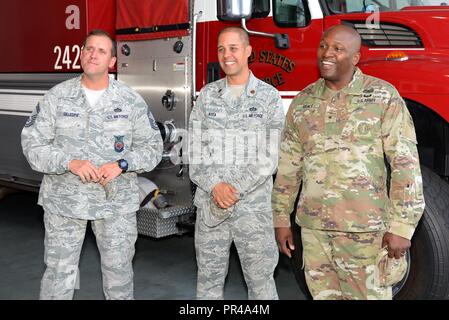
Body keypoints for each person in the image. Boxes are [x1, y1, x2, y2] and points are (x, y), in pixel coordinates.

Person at [271, 25, 425, 300]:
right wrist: (281, 217)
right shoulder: (303, 102)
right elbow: (289, 166)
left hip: (365, 232)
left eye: (338, 49)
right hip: (315, 231)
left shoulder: (382, 96)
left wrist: (402, 226)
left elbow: (405, 164)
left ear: (356, 57)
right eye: (323, 46)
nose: (327, 54)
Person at [21, 29, 163, 300]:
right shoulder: (57, 97)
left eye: (101, 50)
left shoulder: (130, 101)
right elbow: (32, 146)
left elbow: (153, 148)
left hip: (115, 204)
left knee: (119, 275)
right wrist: (68, 162)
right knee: (59, 276)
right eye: (88, 49)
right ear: (81, 55)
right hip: (65, 202)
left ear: (112, 61)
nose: (92, 54)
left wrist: (122, 163)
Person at [188, 27, 285, 299]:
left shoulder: (268, 97)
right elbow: (193, 150)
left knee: (261, 284)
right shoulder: (207, 96)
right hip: (211, 208)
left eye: (233, 48)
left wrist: (232, 189)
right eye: (221, 49)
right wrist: (215, 186)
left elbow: (271, 156)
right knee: (208, 284)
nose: (226, 55)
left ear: (247, 51)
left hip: (252, 211)